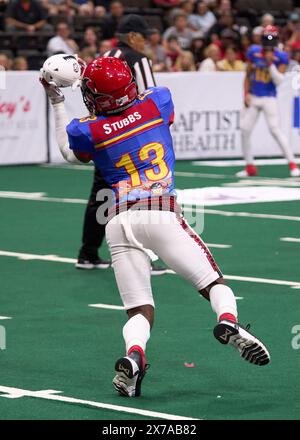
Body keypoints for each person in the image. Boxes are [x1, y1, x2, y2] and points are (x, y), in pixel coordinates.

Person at [41, 56, 270, 398]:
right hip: (160, 212)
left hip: (117, 220)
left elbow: (67, 150)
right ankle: (228, 319)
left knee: (139, 309)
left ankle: (134, 357)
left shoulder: (86, 129)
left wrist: (58, 99)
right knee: (213, 283)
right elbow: (138, 99)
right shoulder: (157, 101)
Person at [77, 14, 165, 275]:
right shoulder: (138, 60)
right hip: (132, 139)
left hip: (105, 137)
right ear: (132, 36)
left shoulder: (104, 57)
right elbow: (151, 101)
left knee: (100, 196)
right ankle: (144, 257)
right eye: (144, 37)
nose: (146, 42)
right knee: (141, 196)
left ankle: (88, 252)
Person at [238, 25, 300, 178]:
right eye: (267, 39)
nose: (269, 44)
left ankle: (292, 163)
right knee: (245, 129)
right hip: (254, 96)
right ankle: (250, 166)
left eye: (271, 40)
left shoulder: (281, 57)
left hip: (269, 97)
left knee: (274, 130)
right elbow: (248, 74)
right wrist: (245, 93)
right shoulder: (253, 52)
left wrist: (270, 63)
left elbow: (279, 80)